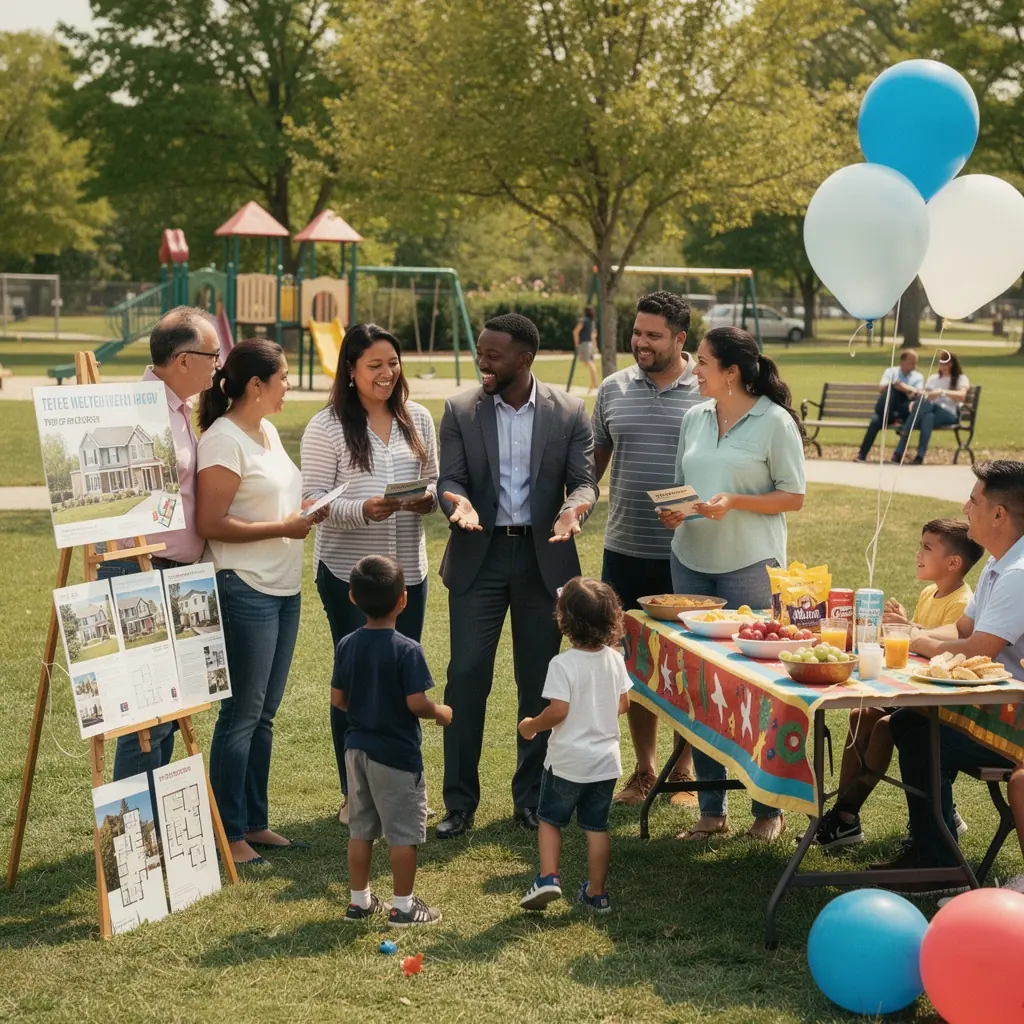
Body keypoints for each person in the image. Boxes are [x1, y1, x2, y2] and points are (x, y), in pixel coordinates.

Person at [435, 312, 598, 838]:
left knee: (539, 681)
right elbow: (451, 478)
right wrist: (455, 503)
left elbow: (584, 482)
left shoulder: (570, 411)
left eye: (494, 354)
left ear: (525, 359)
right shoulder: (460, 409)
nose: (484, 361)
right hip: (478, 557)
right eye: (481, 351)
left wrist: (576, 509)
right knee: (465, 676)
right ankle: (459, 803)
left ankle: (530, 799)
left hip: (540, 561)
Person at [658, 326, 805, 843]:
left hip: (749, 566)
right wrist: (674, 514)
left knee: (756, 687)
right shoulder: (694, 417)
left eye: (701, 361)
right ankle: (712, 810)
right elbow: (685, 485)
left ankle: (767, 811)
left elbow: (793, 496)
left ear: (731, 372)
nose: (693, 369)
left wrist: (735, 501)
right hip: (690, 562)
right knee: (702, 686)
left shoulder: (774, 421)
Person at [195, 339, 328, 866]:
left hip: (283, 588)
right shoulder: (223, 440)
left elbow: (272, 499)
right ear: (256, 385)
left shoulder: (267, 431)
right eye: (285, 376)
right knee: (241, 714)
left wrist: (307, 509)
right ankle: (228, 832)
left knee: (265, 714)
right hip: (243, 586)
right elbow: (211, 522)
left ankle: (254, 821)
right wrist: (286, 526)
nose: (290, 384)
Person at [300, 323, 438, 825]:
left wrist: (426, 501)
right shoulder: (328, 425)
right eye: (374, 365)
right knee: (357, 683)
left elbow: (435, 483)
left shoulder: (418, 418)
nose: (386, 374)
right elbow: (313, 501)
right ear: (352, 370)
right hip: (347, 575)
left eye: (392, 363)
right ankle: (354, 795)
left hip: (408, 574)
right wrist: (364, 510)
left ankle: (402, 788)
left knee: (405, 681)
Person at [872, 460, 1024, 889]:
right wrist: (910, 632)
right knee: (910, 722)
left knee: (921, 731)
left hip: (1013, 716)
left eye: (974, 500)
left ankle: (937, 862)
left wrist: (918, 644)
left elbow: (978, 649)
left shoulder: (1017, 574)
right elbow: (964, 628)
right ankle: (934, 853)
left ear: (999, 514)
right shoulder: (1000, 565)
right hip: (997, 705)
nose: (965, 507)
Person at [97, 306, 220, 781]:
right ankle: (136, 829)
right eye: (212, 355)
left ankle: (155, 822)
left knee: (171, 713)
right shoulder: (138, 410)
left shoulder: (177, 407)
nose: (218, 365)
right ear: (184, 359)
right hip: (141, 570)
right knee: (146, 719)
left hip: (175, 572)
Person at [807, 518, 982, 849]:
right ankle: (846, 818)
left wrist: (908, 630)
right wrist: (907, 625)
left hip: (937, 699)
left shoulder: (961, 602)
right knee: (861, 716)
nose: (917, 554)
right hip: (914, 690)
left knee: (885, 725)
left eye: (927, 548)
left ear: (953, 562)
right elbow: (920, 639)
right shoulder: (930, 592)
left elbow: (947, 655)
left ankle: (844, 814)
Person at [591, 291, 702, 809]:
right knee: (630, 664)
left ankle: (683, 770)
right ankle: (643, 769)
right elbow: (595, 460)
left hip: (689, 553)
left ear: (681, 339)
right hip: (624, 550)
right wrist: (577, 502)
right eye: (637, 333)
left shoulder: (706, 391)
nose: (641, 342)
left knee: (682, 666)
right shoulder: (613, 388)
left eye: (653, 335)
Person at [333, 555, 451, 926]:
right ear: (403, 599)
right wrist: (441, 712)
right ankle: (402, 907)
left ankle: (359, 902)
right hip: (396, 756)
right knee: (402, 834)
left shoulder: (347, 644)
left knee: (361, 829)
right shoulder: (407, 649)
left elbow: (338, 699)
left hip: (356, 751)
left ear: (352, 597)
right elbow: (415, 703)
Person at [518, 577, 632, 913]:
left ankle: (548, 877)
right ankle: (597, 893)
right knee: (596, 827)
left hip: (568, 761)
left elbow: (558, 711)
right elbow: (624, 704)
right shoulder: (614, 660)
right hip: (606, 763)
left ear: (563, 620)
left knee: (551, 820)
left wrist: (531, 726)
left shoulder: (562, 664)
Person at [892, 350, 969, 465]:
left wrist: (941, 392)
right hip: (930, 411)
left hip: (948, 413)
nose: (945, 366)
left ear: (953, 364)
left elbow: (962, 396)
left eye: (947, 363)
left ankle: (903, 435)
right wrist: (917, 402)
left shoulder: (960, 378)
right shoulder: (934, 378)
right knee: (928, 417)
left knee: (926, 407)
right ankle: (919, 456)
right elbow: (925, 395)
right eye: (942, 363)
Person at [854, 350, 924, 463]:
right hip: (888, 409)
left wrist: (904, 387)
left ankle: (893, 419)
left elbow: (918, 394)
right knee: (875, 420)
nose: (915, 366)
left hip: (904, 409)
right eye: (912, 362)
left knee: (895, 393)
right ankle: (862, 455)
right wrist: (895, 385)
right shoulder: (890, 371)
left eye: (916, 363)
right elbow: (881, 389)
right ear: (902, 361)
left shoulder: (918, 376)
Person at [572, 305, 599, 392]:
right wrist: (595, 347)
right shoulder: (592, 322)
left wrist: (576, 344)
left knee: (589, 363)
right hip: (590, 344)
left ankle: (595, 383)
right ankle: (593, 384)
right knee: (589, 363)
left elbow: (575, 332)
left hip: (585, 344)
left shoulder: (583, 321)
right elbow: (593, 336)